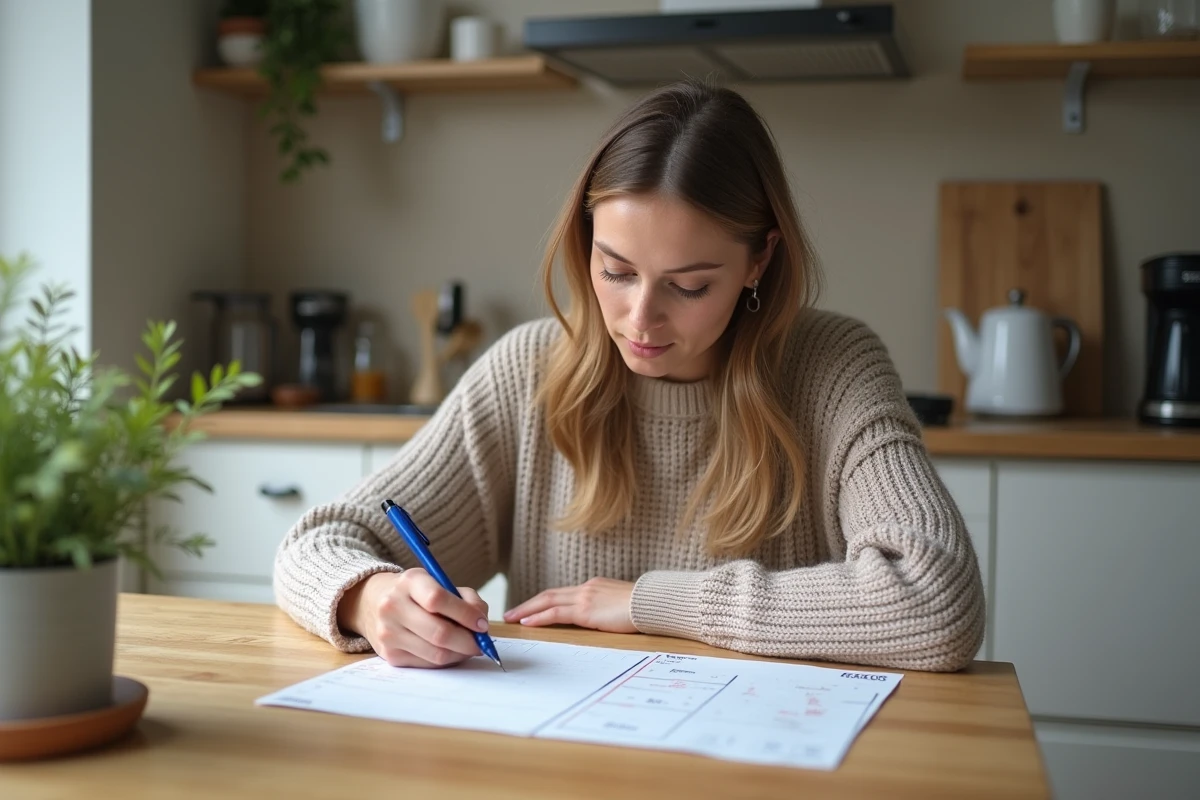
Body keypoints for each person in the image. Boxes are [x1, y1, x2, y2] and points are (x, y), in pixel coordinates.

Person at [273, 79, 985, 673]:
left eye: (690, 285)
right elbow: (316, 543)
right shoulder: (530, 370)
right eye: (616, 271)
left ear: (760, 260)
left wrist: (648, 604)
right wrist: (370, 598)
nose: (641, 318)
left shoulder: (833, 368)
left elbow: (937, 600)